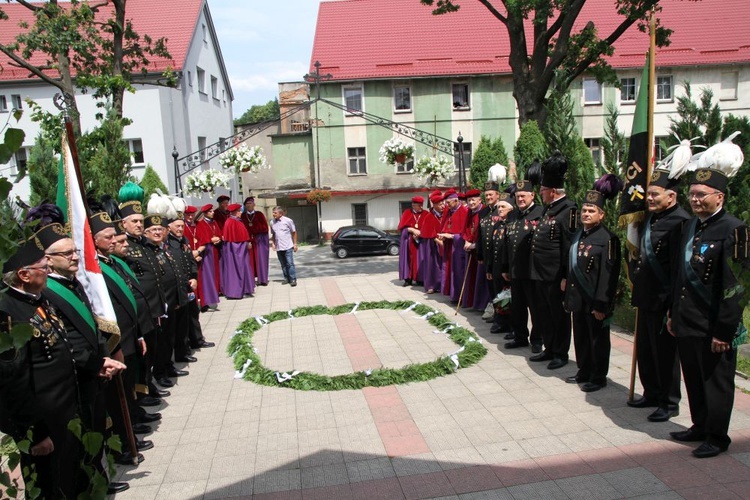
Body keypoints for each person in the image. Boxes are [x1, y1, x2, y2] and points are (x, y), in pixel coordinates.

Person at [33, 215, 128, 494]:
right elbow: (67, 340)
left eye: (75, 251)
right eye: (68, 253)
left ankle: (96, 480)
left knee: (94, 432)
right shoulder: (48, 292)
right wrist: (95, 364)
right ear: (48, 260)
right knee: (80, 438)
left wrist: (103, 355)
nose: (76, 256)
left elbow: (91, 324)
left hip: (94, 371)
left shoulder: (71, 281)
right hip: (77, 376)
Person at [667, 166, 748, 458]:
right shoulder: (690, 226)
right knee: (692, 376)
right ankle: (699, 425)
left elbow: (736, 286)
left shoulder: (734, 229)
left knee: (716, 382)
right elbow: (680, 275)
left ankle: (717, 436)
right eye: (691, 194)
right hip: (687, 319)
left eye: (701, 195)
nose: (695, 200)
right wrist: (673, 313)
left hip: (714, 324)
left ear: (720, 197)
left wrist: (724, 330)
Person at [0, 234, 81, 498]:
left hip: (63, 410)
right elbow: (15, 383)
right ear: (23, 275)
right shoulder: (9, 315)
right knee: (49, 483)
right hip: (43, 421)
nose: (48, 271)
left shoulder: (38, 298)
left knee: (67, 476)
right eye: (43, 268)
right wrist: (36, 434)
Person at [628, 168, 689, 421]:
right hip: (646, 295)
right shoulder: (650, 218)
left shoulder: (681, 222)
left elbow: (678, 268)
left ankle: (669, 401)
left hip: (664, 298)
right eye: (648, 194)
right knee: (645, 349)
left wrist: (673, 305)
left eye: (654, 194)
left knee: (665, 354)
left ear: (671, 197)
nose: (649, 198)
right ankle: (651, 392)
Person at [563, 175, 622, 393]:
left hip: (595, 301)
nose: (586, 214)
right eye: (584, 211)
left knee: (597, 339)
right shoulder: (579, 234)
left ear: (601, 214)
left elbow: (609, 275)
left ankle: (598, 376)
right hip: (578, 298)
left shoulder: (608, 239)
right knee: (580, 337)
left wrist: (602, 305)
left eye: (591, 211)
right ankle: (584, 370)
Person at [529, 153, 579, 369]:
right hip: (541, 274)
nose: (540, 194)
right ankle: (549, 348)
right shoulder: (550, 209)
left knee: (558, 315)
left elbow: (569, 246)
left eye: (542, 191)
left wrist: (566, 276)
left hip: (556, 275)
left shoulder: (569, 210)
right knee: (544, 313)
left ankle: (560, 352)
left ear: (552, 191)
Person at [501, 175, 544, 352]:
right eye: (518, 196)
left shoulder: (540, 213)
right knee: (517, 307)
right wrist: (505, 267)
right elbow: (506, 242)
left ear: (532, 196)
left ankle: (537, 340)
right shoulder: (512, 215)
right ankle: (520, 336)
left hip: (533, 271)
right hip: (515, 270)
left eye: (523, 196)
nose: (520, 199)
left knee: (535, 308)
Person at [437, 189, 469, 301]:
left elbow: (466, 233)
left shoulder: (464, 212)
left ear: (456, 200)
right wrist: (443, 235)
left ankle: (460, 296)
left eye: (449, 203)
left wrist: (451, 236)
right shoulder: (449, 212)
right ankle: (452, 294)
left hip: (459, 247)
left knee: (458, 271)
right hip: (449, 247)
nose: (447, 205)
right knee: (449, 270)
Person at [221, 203, 255, 298]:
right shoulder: (231, 222)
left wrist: (246, 242)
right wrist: (244, 244)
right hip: (236, 251)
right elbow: (234, 241)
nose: (240, 212)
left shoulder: (236, 221)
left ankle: (246, 288)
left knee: (244, 267)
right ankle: (236, 291)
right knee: (236, 268)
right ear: (235, 212)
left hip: (241, 249)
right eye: (239, 211)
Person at [195, 204, 222, 309]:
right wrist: (211, 240)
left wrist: (218, 238)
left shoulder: (214, 222)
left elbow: (219, 233)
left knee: (216, 273)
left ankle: (215, 293)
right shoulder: (201, 224)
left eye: (212, 211)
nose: (213, 213)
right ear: (205, 213)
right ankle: (209, 297)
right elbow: (202, 238)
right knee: (208, 274)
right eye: (210, 211)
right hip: (207, 252)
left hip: (215, 250)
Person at [397, 196, 428, 286]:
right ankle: (408, 279)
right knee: (408, 259)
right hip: (409, 241)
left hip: (421, 242)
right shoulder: (407, 213)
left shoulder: (426, 214)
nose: (421, 207)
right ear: (413, 205)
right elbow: (402, 228)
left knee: (420, 259)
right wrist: (411, 230)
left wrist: (420, 233)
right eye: (419, 205)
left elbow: (428, 228)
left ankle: (420, 278)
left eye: (422, 205)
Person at [418, 190, 444, 294]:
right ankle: (432, 285)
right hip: (432, 244)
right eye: (440, 204)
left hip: (444, 242)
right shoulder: (429, 216)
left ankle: (444, 285)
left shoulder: (446, 214)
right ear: (435, 205)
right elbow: (428, 232)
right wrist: (438, 241)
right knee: (433, 265)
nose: (443, 206)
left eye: (443, 203)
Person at [461, 189, 484, 308]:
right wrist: (466, 240)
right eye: (469, 200)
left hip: (480, 250)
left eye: (473, 200)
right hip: (470, 249)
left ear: (480, 200)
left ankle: (480, 304)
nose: (470, 202)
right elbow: (465, 228)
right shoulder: (469, 212)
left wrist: (475, 245)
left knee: (480, 278)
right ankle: (471, 302)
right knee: (471, 277)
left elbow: (484, 233)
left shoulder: (484, 212)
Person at [240, 196, 270, 286]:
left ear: (254, 204)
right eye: (247, 204)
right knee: (249, 261)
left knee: (260, 259)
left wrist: (254, 229)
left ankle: (263, 279)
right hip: (248, 241)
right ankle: (250, 280)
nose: (249, 205)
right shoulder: (243, 216)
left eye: (250, 203)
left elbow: (265, 227)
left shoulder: (259, 214)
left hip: (258, 240)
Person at [270, 206, 298, 286]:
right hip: (279, 247)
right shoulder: (272, 222)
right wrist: (273, 243)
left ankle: (293, 279)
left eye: (275, 213)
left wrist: (295, 244)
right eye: (273, 212)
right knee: (283, 263)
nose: (273, 214)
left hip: (288, 246)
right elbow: (273, 233)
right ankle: (286, 278)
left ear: (281, 213)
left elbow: (294, 232)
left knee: (289, 263)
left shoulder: (288, 221)